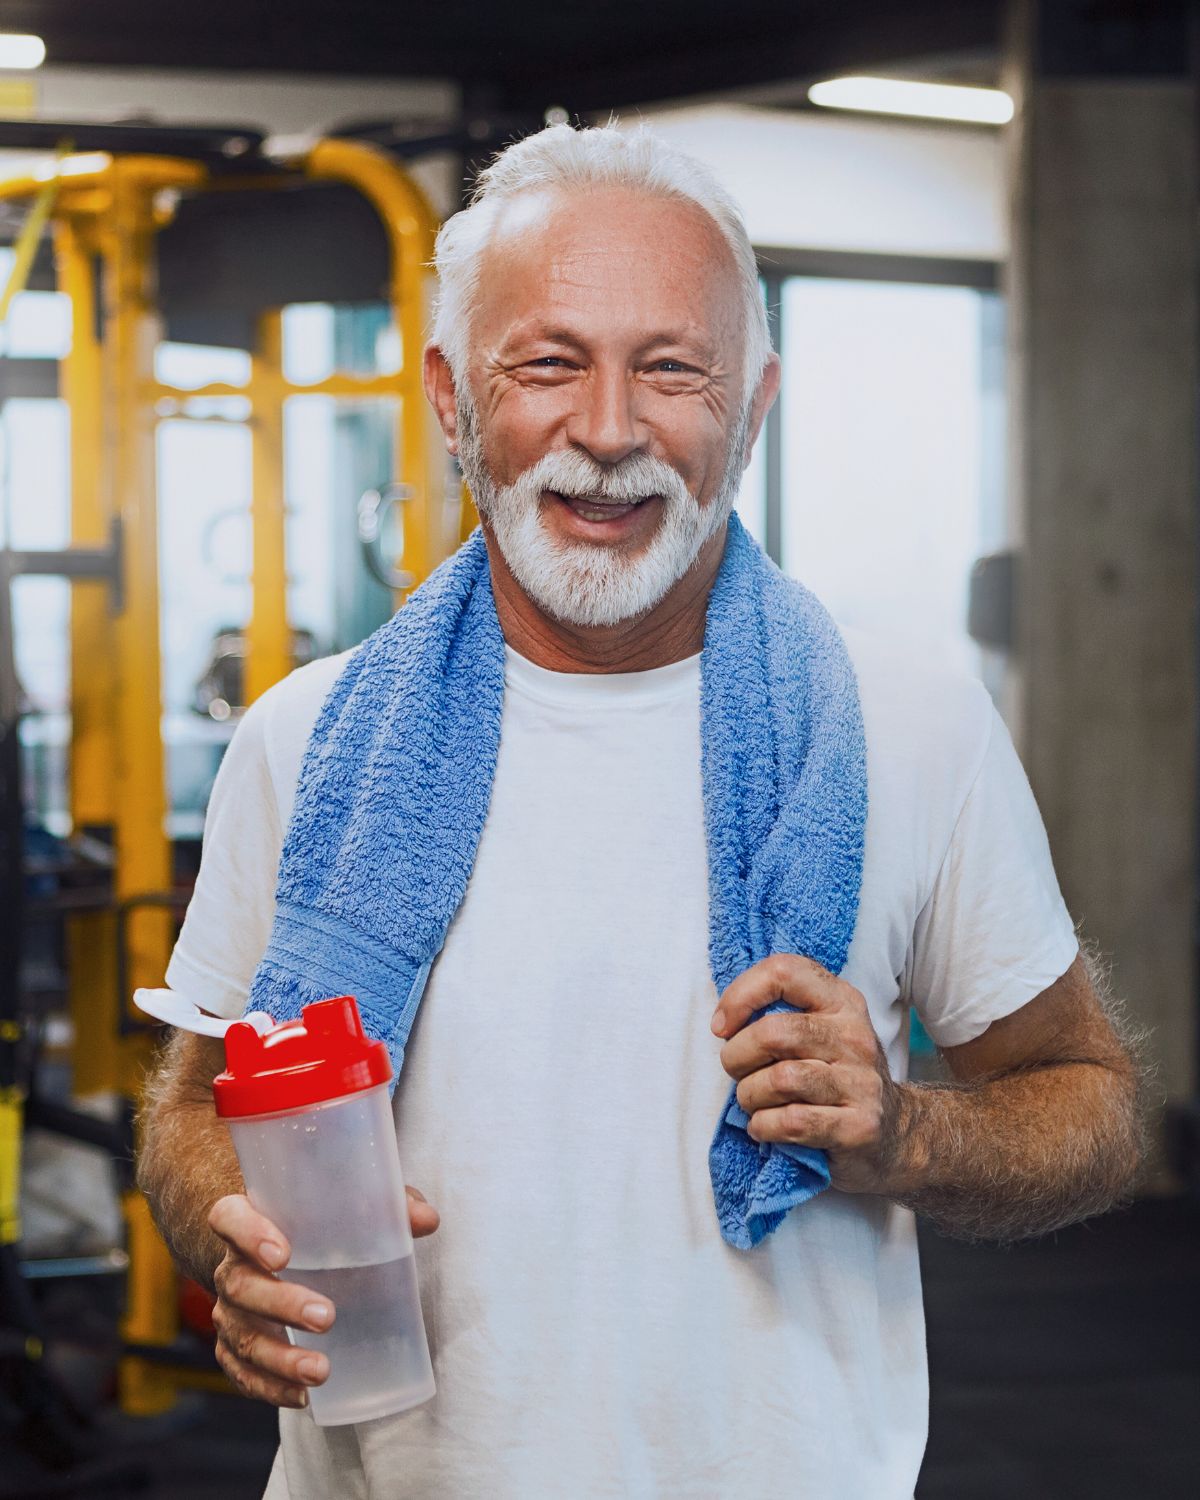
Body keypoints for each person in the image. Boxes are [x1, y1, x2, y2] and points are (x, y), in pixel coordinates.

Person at [138, 123, 1143, 1499]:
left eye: (670, 367)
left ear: (755, 401)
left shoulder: (909, 729)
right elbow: (194, 1105)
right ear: (447, 396)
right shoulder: (307, 740)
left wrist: (903, 1130)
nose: (608, 433)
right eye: (547, 362)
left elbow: (1089, 1108)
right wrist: (228, 1237)